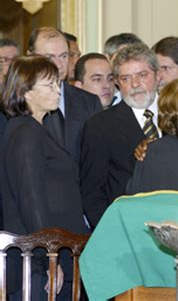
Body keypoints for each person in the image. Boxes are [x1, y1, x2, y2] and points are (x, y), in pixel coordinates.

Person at [0, 56, 88, 300]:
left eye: (57, 83)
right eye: (49, 85)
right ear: (26, 92)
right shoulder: (25, 133)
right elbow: (31, 201)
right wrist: (50, 259)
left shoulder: (36, 129)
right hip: (37, 265)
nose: (58, 91)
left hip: (52, 254)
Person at [80, 44, 160, 229]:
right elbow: (91, 191)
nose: (135, 84)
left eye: (142, 75)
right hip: (126, 228)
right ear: (117, 83)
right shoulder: (100, 126)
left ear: (158, 76)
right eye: (126, 78)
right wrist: (110, 233)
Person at [27, 27, 102, 163]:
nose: (58, 65)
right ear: (30, 57)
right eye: (49, 57)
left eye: (64, 56)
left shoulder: (89, 102)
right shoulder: (15, 104)